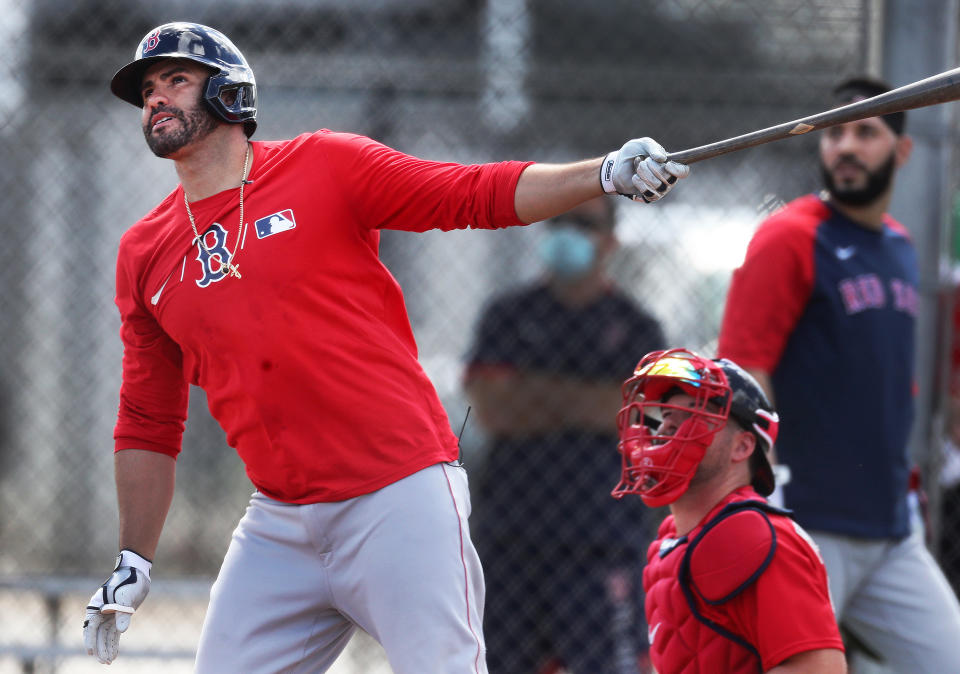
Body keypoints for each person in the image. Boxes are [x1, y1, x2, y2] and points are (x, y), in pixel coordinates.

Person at [80, 21, 690, 672]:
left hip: (396, 496)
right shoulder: (143, 252)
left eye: (177, 79)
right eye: (147, 88)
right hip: (281, 520)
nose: (156, 98)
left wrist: (601, 174)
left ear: (231, 94)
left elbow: (470, 194)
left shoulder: (323, 164)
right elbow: (148, 420)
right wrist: (134, 558)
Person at [717, 76, 960, 671]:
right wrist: (762, 494)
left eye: (867, 132)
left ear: (902, 152)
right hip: (807, 524)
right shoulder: (790, 236)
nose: (845, 146)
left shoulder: (901, 248)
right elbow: (744, 369)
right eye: (835, 133)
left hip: (889, 529)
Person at [463, 195, 665, 673]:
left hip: (603, 541)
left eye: (585, 224)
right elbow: (491, 407)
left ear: (611, 241)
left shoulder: (638, 328)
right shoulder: (507, 315)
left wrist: (532, 393)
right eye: (559, 221)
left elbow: (645, 417)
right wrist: (597, 400)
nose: (568, 232)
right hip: (511, 539)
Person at [611, 347, 846, 673]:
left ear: (743, 447)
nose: (666, 429)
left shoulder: (752, 536)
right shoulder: (671, 541)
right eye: (666, 417)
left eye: (691, 416)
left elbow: (820, 670)